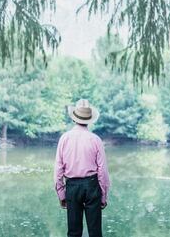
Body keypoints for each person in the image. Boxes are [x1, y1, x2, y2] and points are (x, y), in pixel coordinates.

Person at [54, 99, 111, 237]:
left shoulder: (64, 138)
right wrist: (103, 195)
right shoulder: (95, 139)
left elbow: (58, 170)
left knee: (74, 232)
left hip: (72, 187)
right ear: (89, 120)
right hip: (92, 185)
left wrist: (61, 193)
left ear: (74, 118)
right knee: (95, 232)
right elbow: (102, 171)